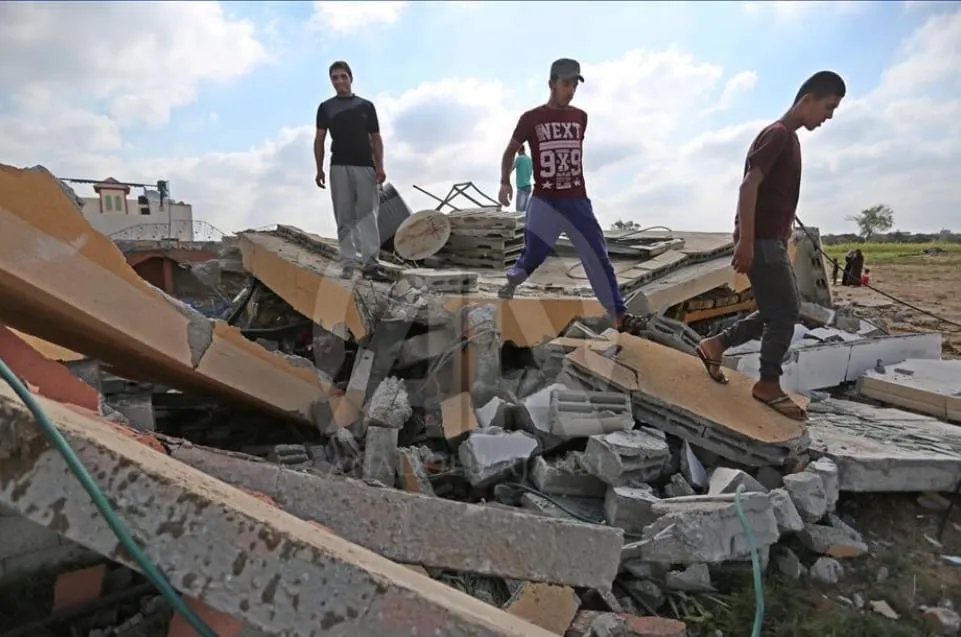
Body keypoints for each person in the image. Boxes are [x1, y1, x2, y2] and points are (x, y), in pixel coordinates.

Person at [693, 70, 846, 421]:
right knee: (785, 313)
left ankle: (715, 345)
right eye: (828, 107)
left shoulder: (790, 139)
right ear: (807, 99)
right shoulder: (777, 135)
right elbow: (749, 187)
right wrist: (745, 241)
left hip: (771, 240)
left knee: (779, 310)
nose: (828, 117)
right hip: (761, 241)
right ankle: (767, 383)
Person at [496, 58, 642, 333]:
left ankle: (618, 314)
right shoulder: (531, 119)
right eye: (566, 84)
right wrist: (505, 182)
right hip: (545, 201)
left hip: (577, 201)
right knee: (534, 252)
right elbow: (508, 152)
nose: (571, 90)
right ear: (551, 84)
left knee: (597, 255)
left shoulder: (580, 117)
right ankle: (512, 282)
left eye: (575, 84)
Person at [314, 60, 386, 280]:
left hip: (365, 165)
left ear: (351, 78)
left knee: (368, 216)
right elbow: (319, 139)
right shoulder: (326, 107)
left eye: (343, 76)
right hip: (339, 166)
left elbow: (376, 138)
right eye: (335, 77)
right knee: (344, 216)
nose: (339, 81)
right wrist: (319, 169)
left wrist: (380, 166)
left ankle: (371, 264)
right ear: (331, 81)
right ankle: (348, 263)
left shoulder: (366, 106)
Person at [513, 145, 533, 212]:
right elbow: (530, 172)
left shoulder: (519, 158)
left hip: (522, 187)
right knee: (525, 211)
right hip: (528, 187)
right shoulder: (529, 159)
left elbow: (511, 168)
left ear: (519, 150)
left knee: (519, 211)